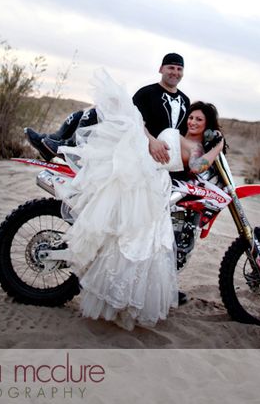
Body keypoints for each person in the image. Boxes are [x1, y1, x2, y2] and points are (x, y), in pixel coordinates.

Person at [55, 70, 225, 330]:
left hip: (152, 179)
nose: (191, 121)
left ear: (207, 125)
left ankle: (119, 297)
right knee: (130, 236)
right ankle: (56, 139)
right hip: (142, 172)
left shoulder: (198, 148)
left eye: (198, 120)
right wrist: (151, 139)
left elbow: (200, 166)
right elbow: (150, 133)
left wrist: (216, 148)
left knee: (136, 242)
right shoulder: (181, 136)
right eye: (190, 117)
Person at [24, 52, 190, 165]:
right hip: (144, 142)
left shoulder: (185, 100)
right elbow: (135, 120)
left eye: (179, 69)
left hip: (160, 155)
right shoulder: (147, 92)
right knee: (85, 113)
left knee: (97, 111)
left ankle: (65, 147)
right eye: (171, 67)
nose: (175, 72)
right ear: (161, 69)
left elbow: (182, 134)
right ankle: (53, 142)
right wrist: (151, 140)